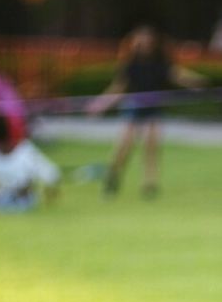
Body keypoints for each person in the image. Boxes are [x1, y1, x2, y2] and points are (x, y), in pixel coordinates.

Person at [87, 25, 205, 198]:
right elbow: (118, 87)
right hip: (134, 106)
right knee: (124, 146)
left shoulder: (160, 62)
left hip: (153, 108)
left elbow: (176, 74)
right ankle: (113, 177)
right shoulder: (130, 63)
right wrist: (100, 104)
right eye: (141, 41)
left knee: (151, 146)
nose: (145, 44)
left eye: (148, 41)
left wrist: (196, 82)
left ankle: (149, 184)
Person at [0, 115, 60, 211]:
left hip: (21, 199)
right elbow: (52, 175)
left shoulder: (23, 151)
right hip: (5, 197)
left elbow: (51, 175)